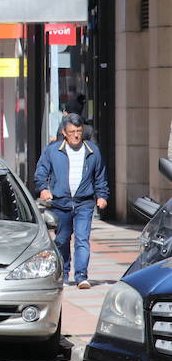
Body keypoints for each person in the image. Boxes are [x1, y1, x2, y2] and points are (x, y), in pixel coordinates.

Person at [35, 114, 109, 288]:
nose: (76, 135)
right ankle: (64, 273)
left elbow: (100, 176)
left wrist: (102, 195)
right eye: (72, 132)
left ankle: (81, 276)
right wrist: (43, 189)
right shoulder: (53, 150)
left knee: (82, 239)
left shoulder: (92, 151)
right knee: (62, 239)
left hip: (85, 202)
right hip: (61, 202)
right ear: (64, 133)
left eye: (79, 131)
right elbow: (41, 171)